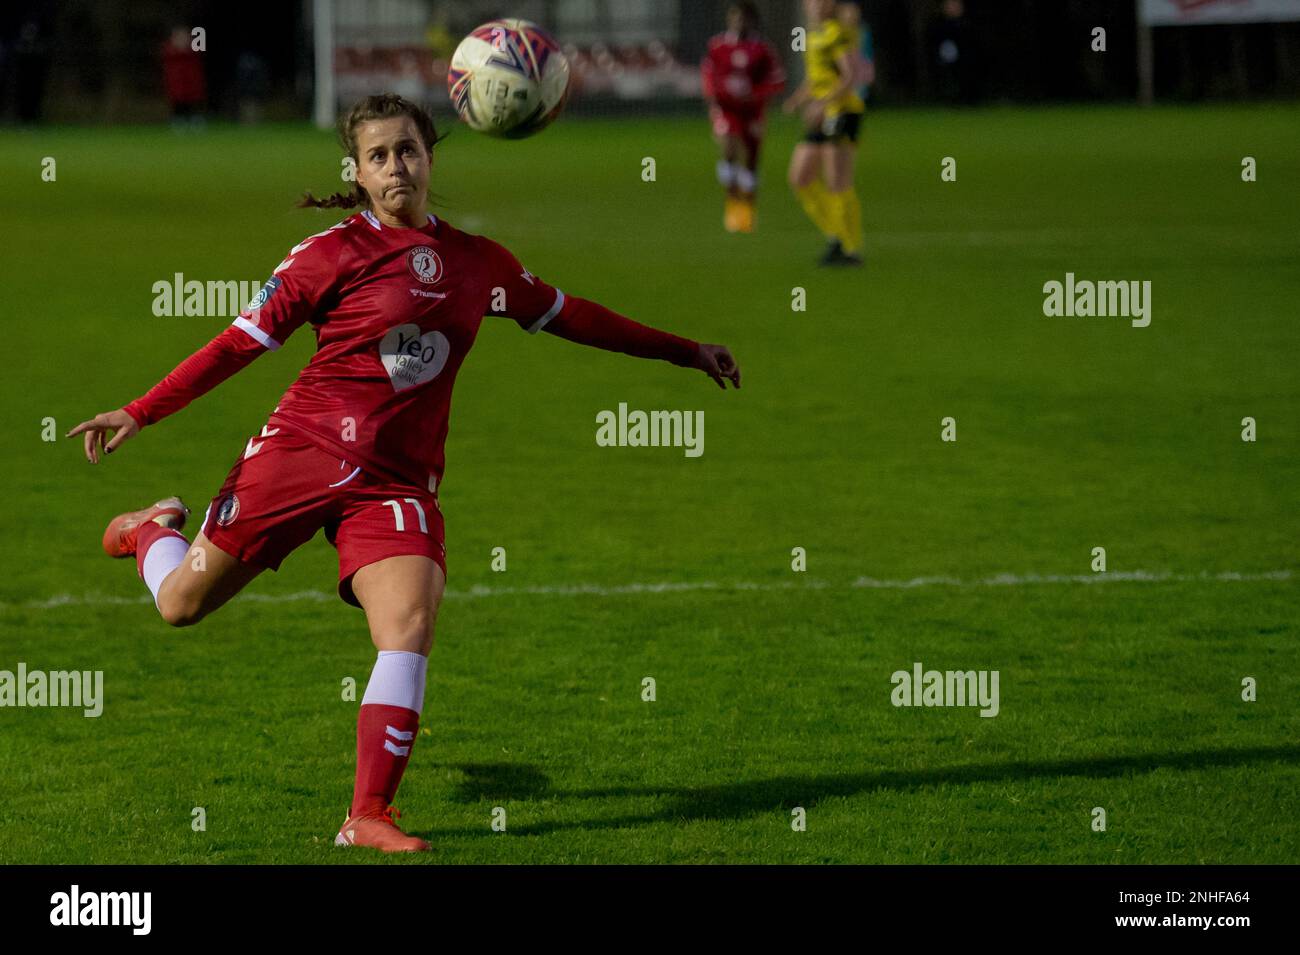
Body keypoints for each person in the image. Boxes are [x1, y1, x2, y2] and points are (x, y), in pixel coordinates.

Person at [67, 93, 741, 854]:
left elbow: (574, 314)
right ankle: (153, 531)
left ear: (431, 160)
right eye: (379, 155)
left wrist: (686, 350)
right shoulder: (327, 256)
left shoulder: (478, 262)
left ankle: (366, 815)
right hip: (300, 453)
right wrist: (139, 410)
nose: (397, 166)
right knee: (182, 606)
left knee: (409, 625)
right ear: (355, 171)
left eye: (409, 151)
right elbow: (238, 345)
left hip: (396, 480)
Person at [784, 0, 866, 266]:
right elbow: (817, 77)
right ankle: (835, 234)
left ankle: (850, 248)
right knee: (800, 177)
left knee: (836, 180)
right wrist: (799, 98)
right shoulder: (812, 35)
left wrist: (823, 103)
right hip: (822, 114)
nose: (815, 6)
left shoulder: (836, 33)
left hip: (841, 113)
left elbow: (849, 76)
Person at [700, 1, 786, 233]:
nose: (740, 22)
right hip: (727, 108)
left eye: (744, 18)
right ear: (729, 19)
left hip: (753, 111)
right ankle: (732, 205)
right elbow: (708, 75)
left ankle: (747, 211)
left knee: (751, 159)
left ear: (752, 20)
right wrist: (712, 98)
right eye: (736, 17)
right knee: (728, 149)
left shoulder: (762, 49)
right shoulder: (717, 46)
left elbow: (777, 81)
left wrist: (756, 95)